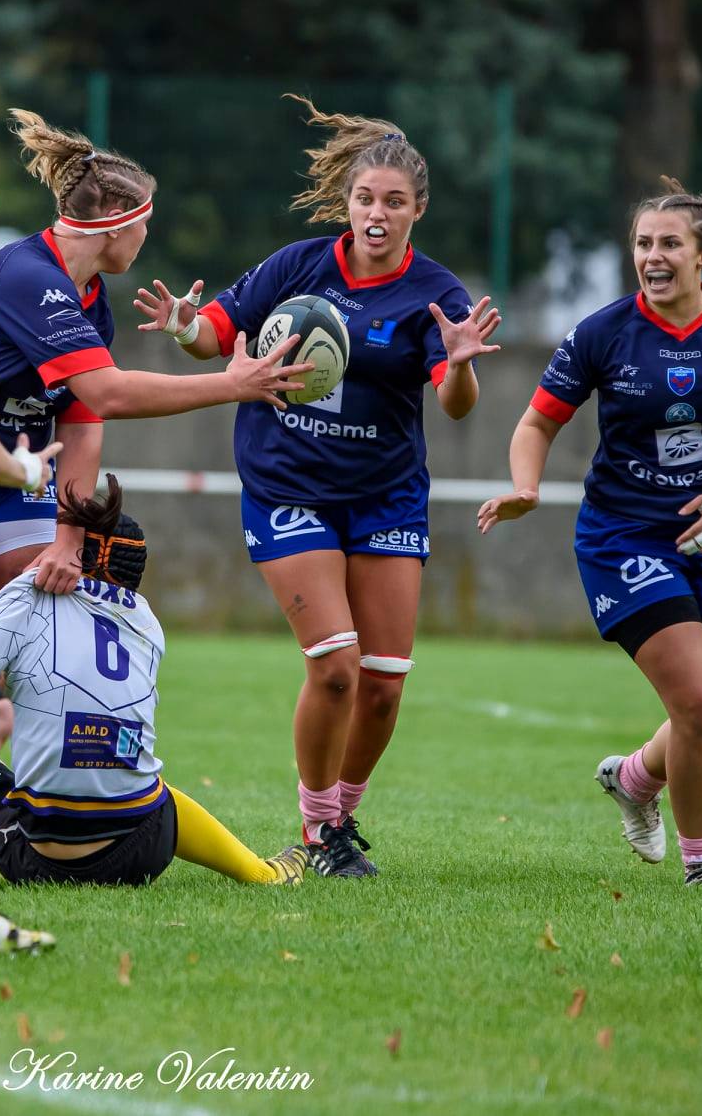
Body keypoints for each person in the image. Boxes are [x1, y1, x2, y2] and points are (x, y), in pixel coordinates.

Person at [0, 109, 308, 884]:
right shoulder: (34, 278)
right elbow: (107, 390)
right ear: (116, 226)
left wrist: (68, 539)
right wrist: (230, 385)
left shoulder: (85, 292)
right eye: (147, 225)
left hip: (13, 474)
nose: (147, 241)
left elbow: (83, 420)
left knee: (51, 618)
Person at [133, 95, 499, 878]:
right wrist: (182, 324)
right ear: (348, 202)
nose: (376, 213)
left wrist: (460, 361)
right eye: (366, 198)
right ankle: (314, 829)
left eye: (393, 202)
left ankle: (341, 821)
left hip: (386, 492)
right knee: (335, 665)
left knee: (383, 687)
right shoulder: (297, 266)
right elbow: (215, 340)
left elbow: (455, 404)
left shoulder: (436, 292)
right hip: (287, 483)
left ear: (417, 211)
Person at [478, 177, 702, 887]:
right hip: (625, 539)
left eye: (670, 244)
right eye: (644, 243)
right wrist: (527, 485)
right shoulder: (602, 332)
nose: (654, 256)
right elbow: (537, 422)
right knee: (700, 706)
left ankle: (635, 776)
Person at [0, 478, 306, 888]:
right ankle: (259, 873)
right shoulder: (146, 620)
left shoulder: (27, 595)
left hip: (37, 861)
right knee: (152, 790)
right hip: (143, 852)